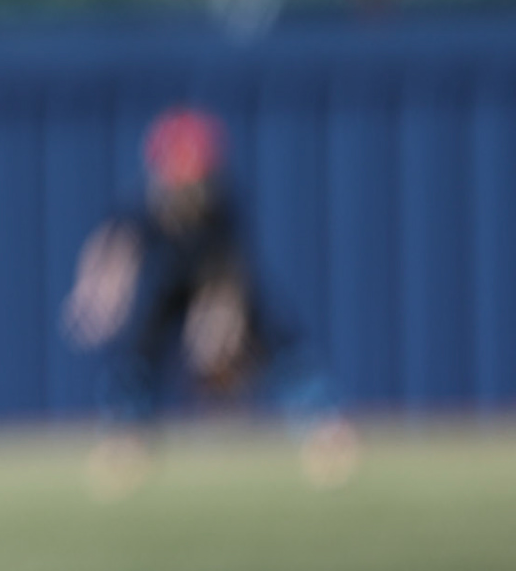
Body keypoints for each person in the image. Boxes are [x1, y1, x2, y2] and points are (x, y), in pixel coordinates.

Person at [61, 105, 359, 498]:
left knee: (281, 342)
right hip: (170, 289)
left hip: (219, 290)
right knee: (136, 353)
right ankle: (124, 438)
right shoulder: (145, 205)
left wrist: (216, 337)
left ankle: (325, 428)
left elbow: (224, 286)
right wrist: (93, 296)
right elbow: (111, 248)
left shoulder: (222, 211)